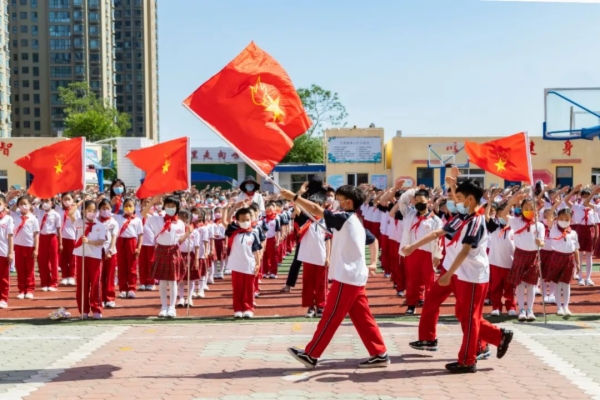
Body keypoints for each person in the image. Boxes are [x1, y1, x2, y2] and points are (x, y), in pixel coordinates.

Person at [405, 179, 513, 373]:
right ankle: (497, 337)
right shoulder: (463, 217)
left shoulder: (476, 221)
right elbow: (440, 232)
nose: (456, 201)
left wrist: (449, 275)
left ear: (470, 199)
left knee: (470, 318)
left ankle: (467, 360)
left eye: (460, 198)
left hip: (471, 276)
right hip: (459, 272)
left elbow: (465, 251)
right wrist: (414, 246)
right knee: (463, 315)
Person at [281, 184, 390, 369]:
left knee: (330, 317)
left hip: (347, 276)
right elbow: (372, 240)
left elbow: (316, 209)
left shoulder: (345, 218)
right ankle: (379, 353)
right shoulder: (353, 219)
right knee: (363, 318)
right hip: (352, 275)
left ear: (348, 202)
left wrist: (294, 197)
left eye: (337, 198)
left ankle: (311, 354)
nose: (333, 201)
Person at [499, 193, 546, 322]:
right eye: (525, 208)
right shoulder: (516, 221)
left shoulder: (539, 225)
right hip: (520, 254)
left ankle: (530, 309)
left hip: (533, 256)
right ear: (521, 209)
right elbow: (503, 215)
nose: (528, 211)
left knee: (531, 285)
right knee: (520, 285)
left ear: (536, 209)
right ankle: (522, 310)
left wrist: (540, 243)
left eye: (531, 208)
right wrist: (511, 202)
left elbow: (542, 242)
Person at [143, 195, 192, 318]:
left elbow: (179, 240)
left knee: (173, 281)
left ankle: (172, 307)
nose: (170, 208)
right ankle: (163, 306)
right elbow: (144, 213)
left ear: (177, 208)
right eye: (168, 206)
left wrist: (188, 233)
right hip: (161, 250)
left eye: (173, 206)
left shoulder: (180, 223)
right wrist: (152, 202)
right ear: (164, 206)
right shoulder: (157, 219)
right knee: (163, 281)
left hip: (174, 251)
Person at [398, 186, 443, 315]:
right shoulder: (409, 214)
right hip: (412, 253)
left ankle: (429, 304)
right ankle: (411, 304)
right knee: (412, 280)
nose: (419, 203)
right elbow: (402, 201)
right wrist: (412, 191)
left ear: (429, 201)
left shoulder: (436, 220)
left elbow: (439, 239)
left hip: (428, 254)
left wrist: (438, 255)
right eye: (416, 201)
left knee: (429, 281)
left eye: (421, 200)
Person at [68, 200, 107, 319]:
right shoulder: (79, 222)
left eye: (94, 210)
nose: (92, 213)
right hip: (81, 255)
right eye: (89, 210)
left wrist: (89, 241)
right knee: (82, 283)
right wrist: (80, 203)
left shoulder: (100, 225)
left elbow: (101, 241)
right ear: (84, 211)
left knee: (95, 283)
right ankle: (83, 310)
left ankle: (96, 309)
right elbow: (70, 213)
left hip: (95, 256)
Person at [224, 206, 262, 319]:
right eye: (242, 220)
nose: (245, 222)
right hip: (236, 265)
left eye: (247, 220)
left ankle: (248, 308)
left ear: (251, 219)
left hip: (249, 265)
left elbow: (256, 251)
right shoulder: (233, 231)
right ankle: (238, 309)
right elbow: (224, 220)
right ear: (237, 220)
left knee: (249, 289)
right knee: (237, 289)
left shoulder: (253, 233)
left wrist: (258, 263)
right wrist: (230, 207)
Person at [546, 206, 579, 316]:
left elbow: (576, 249)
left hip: (569, 259)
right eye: (561, 218)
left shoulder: (573, 233)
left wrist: (578, 263)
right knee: (557, 283)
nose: (564, 221)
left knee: (566, 284)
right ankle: (559, 307)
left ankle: (566, 306)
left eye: (566, 219)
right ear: (557, 218)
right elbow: (549, 217)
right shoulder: (554, 228)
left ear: (571, 220)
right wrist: (555, 205)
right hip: (557, 257)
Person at [10, 196, 40, 299]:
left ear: (30, 205)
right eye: (21, 204)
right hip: (18, 246)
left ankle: (30, 289)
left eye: (26, 204)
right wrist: (14, 198)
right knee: (20, 269)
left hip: (30, 246)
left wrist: (36, 249)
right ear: (18, 205)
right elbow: (11, 210)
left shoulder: (33, 218)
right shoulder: (15, 215)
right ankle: (21, 290)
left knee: (30, 269)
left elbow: (36, 234)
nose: (24, 206)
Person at [114, 198, 144, 299]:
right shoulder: (118, 218)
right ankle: (123, 289)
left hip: (132, 242)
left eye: (130, 206)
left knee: (132, 267)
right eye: (126, 205)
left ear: (134, 207)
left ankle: (131, 288)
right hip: (121, 242)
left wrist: (138, 247)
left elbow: (140, 235)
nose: (128, 208)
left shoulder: (137, 220)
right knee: (122, 267)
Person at [35, 198, 62, 291]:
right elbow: (31, 205)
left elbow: (59, 229)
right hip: (41, 237)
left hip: (52, 237)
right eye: (43, 201)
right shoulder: (39, 212)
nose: (45, 203)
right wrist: (37, 199)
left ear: (52, 203)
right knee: (42, 261)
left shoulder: (56, 214)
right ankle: (45, 282)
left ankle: (54, 283)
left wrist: (60, 243)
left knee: (54, 261)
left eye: (47, 201)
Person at [97, 199, 118, 308]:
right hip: (97, 251)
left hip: (110, 252)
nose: (105, 210)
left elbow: (114, 236)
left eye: (108, 208)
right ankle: (100, 298)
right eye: (103, 208)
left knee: (110, 276)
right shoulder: (96, 221)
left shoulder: (113, 222)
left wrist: (110, 250)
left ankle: (110, 298)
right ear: (99, 210)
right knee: (99, 276)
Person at [57, 192, 78, 286]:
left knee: (72, 258)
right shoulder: (59, 211)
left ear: (72, 200)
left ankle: (72, 276)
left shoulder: (76, 211)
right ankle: (65, 276)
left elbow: (77, 223)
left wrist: (71, 213)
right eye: (65, 199)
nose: (67, 201)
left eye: (69, 199)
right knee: (63, 258)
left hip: (72, 237)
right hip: (62, 237)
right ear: (61, 200)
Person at [0, 195, 14, 308]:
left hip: (3, 252)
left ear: (4, 205)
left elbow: (10, 237)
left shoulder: (8, 219)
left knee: (3, 277)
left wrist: (10, 252)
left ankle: (3, 298)